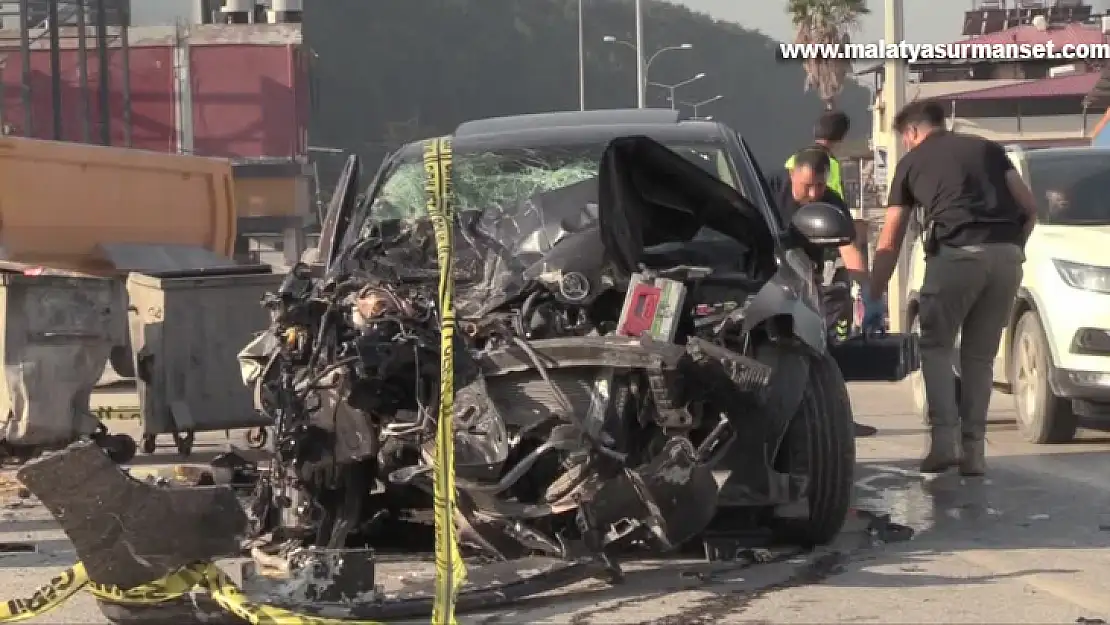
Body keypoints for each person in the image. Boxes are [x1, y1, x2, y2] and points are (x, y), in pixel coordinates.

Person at [862, 100, 1037, 476]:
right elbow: (1029, 206)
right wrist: (1013, 250)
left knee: (936, 346)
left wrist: (874, 292)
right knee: (979, 358)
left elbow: (890, 237)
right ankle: (974, 453)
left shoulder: (911, 162)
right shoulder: (988, 149)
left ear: (911, 132)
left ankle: (944, 444)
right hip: (1006, 257)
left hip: (956, 256)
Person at [768, 147, 877, 438]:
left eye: (820, 185)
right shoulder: (768, 189)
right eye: (807, 186)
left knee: (825, 348)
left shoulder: (830, 202)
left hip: (806, 283)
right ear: (793, 174)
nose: (814, 194)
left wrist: (867, 291)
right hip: (763, 279)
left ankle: (836, 417)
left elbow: (848, 246)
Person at [785, 111, 851, 200]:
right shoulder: (830, 164)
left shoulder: (793, 159)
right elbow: (835, 202)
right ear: (839, 140)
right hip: (817, 211)